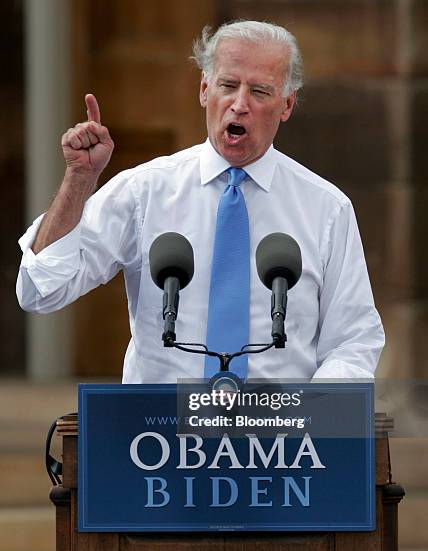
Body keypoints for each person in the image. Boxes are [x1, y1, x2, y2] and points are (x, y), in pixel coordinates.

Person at [16, 20, 384, 383]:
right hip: (157, 436)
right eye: (227, 85)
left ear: (287, 104)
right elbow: (40, 290)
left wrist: (312, 421)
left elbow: (352, 341)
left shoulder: (326, 208)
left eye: (259, 92)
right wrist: (79, 180)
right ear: (205, 89)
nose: (239, 104)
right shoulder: (144, 191)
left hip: (280, 435)